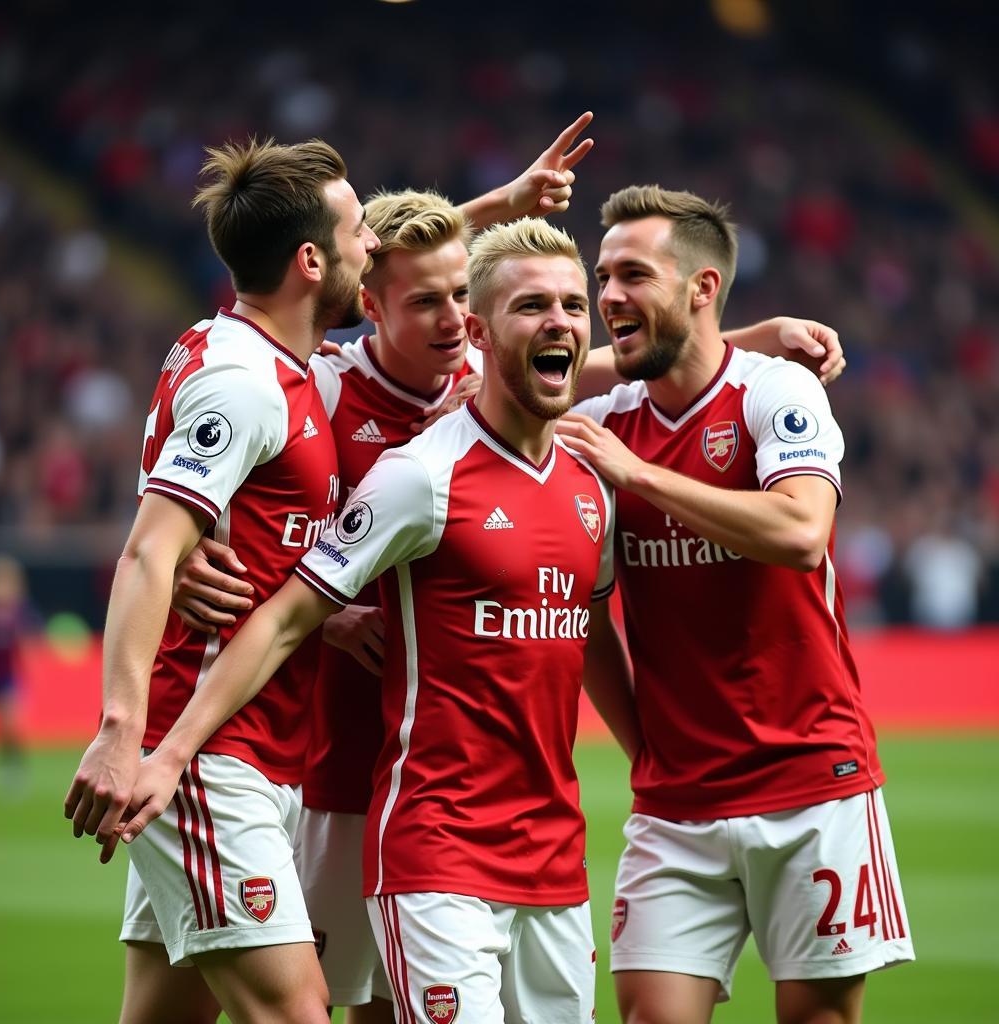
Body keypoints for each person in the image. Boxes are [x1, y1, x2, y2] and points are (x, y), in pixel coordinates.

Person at [112, 217, 637, 1024]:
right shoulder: (352, 417)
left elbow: (580, 347)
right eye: (426, 299)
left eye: (576, 303)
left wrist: (752, 338)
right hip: (360, 797)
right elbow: (277, 597)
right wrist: (175, 557)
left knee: (166, 1006)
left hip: (545, 849)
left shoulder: (585, 476)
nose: (560, 320)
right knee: (306, 1007)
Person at [558, 184, 914, 1024]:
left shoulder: (774, 397)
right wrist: (644, 745)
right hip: (676, 802)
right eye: (602, 276)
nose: (607, 296)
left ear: (702, 287)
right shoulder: (605, 422)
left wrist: (641, 475)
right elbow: (587, 617)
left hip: (813, 784)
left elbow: (799, 531)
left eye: (632, 275)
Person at [63, 136, 381, 1024]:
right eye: (360, 232)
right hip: (201, 757)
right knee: (297, 1009)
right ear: (312, 261)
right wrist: (122, 732)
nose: (374, 249)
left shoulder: (252, 354)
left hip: (260, 750)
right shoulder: (246, 384)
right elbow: (147, 552)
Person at [0, 553, 38, 790]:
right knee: (0, 728)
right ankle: (6, 764)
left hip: (11, 677)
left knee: (11, 723)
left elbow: (27, 641)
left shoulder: (19, 610)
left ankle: (16, 767)